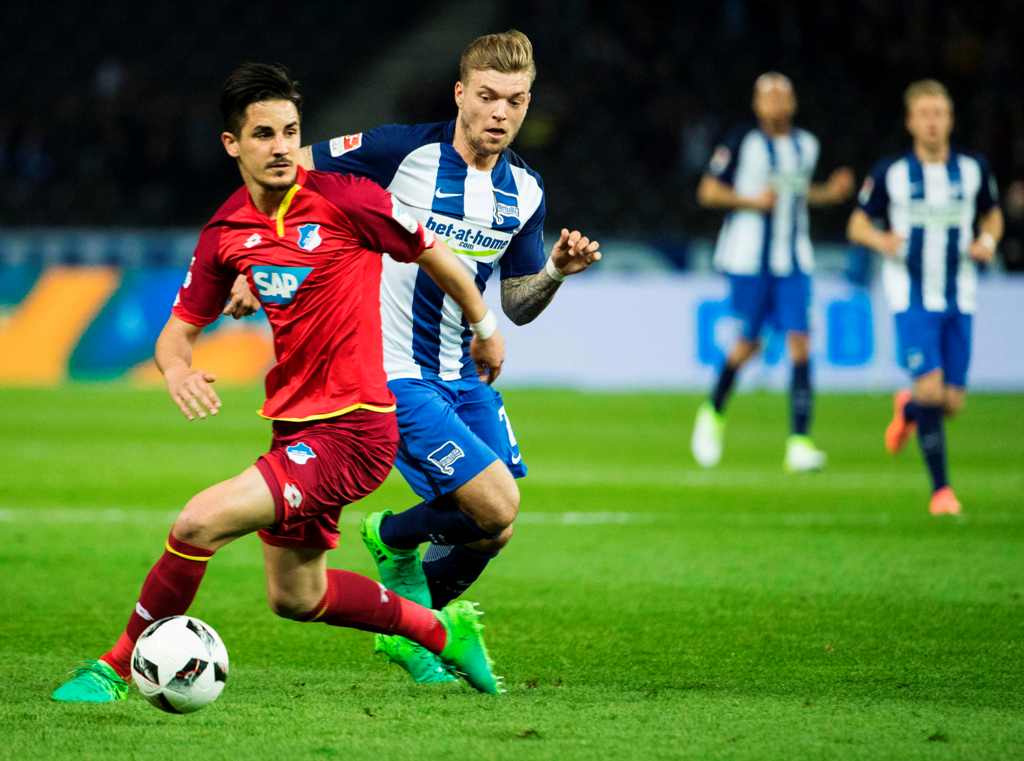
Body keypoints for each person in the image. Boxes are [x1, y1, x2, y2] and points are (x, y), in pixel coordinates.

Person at [51, 62, 507, 703]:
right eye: (263, 134)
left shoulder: (347, 199)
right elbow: (177, 332)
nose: (281, 147)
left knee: (197, 523)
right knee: (299, 596)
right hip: (293, 425)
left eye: (290, 131)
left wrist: (485, 325)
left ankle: (116, 665)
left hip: (357, 427)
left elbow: (433, 252)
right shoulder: (226, 232)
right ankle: (443, 633)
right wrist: (178, 370)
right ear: (232, 144)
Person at [246, 29, 600, 684]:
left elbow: (519, 303)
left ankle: (409, 621)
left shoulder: (525, 189)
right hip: (388, 368)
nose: (501, 113)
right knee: (495, 505)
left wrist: (553, 269)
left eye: (516, 101)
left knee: (493, 528)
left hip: (460, 371)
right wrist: (260, 258)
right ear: (460, 93)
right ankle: (395, 540)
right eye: (488, 97)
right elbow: (291, 171)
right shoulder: (398, 151)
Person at [847, 79, 1003, 516]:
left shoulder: (973, 169)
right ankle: (942, 492)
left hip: (960, 295)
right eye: (925, 114)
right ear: (911, 122)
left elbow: (992, 216)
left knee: (951, 402)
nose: (933, 122)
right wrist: (882, 241)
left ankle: (909, 408)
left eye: (940, 113)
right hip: (911, 296)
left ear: (950, 119)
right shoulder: (890, 174)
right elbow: (856, 225)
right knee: (932, 389)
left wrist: (987, 242)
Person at [690, 73, 854, 472]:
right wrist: (750, 201)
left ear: (793, 103)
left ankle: (800, 442)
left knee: (800, 341)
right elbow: (708, 191)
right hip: (748, 258)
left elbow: (797, 194)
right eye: (769, 96)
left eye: (783, 95)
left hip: (794, 259)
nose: (777, 102)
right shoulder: (741, 142)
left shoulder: (806, 145)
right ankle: (712, 413)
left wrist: (829, 194)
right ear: (757, 104)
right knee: (749, 344)